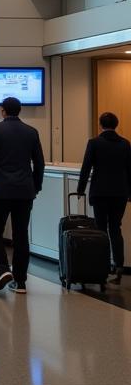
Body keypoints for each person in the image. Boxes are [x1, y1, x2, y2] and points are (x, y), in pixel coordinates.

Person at [0, 96, 45, 295]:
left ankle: (3, 269)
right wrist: (36, 186)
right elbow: (39, 163)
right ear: (20, 110)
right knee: (21, 234)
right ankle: (21, 282)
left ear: (2, 111)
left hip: (1, 189)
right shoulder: (31, 132)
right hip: (25, 191)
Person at [77, 111, 131, 284]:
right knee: (116, 228)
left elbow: (86, 168)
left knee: (100, 229)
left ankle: (103, 266)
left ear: (100, 125)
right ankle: (119, 266)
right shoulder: (125, 144)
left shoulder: (94, 143)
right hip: (120, 193)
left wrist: (80, 189)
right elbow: (130, 170)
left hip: (100, 192)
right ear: (116, 125)